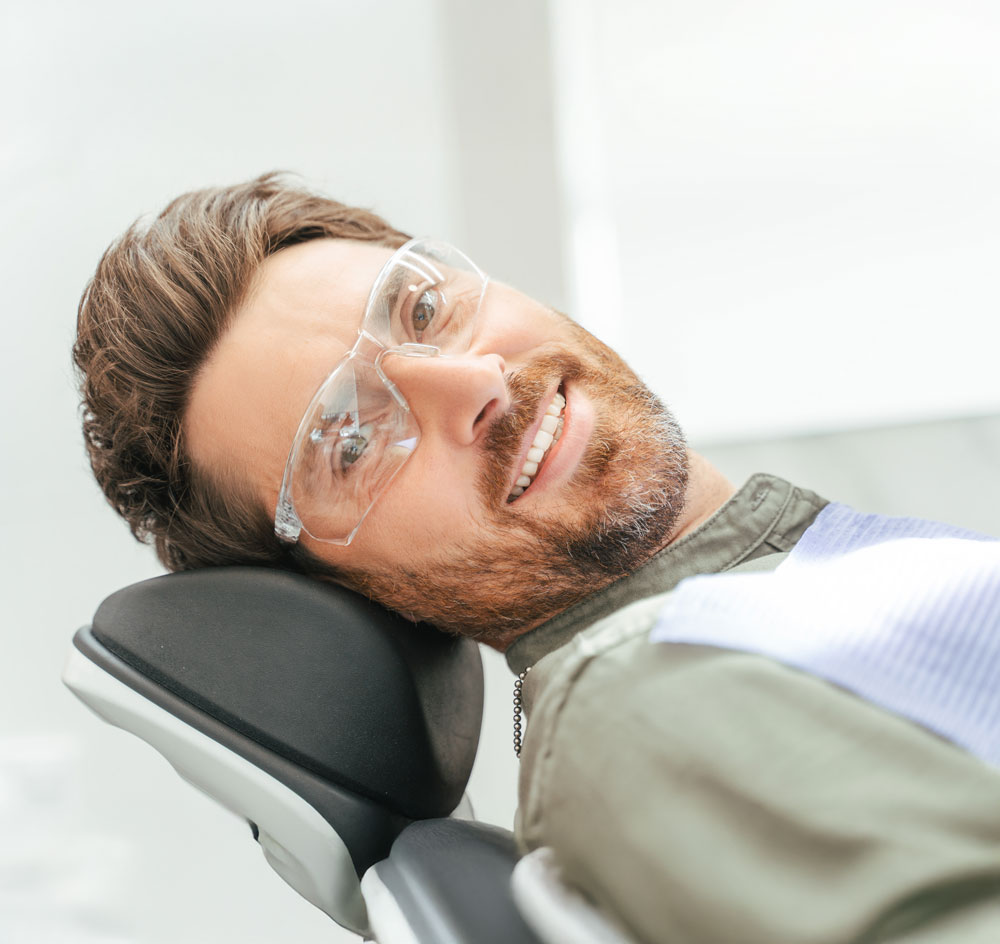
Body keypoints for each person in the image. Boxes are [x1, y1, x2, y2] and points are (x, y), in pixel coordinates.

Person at [74, 174, 1000, 943]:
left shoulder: (784, 601)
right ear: (348, 592)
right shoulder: (658, 701)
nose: (474, 383)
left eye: (421, 308)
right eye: (349, 443)